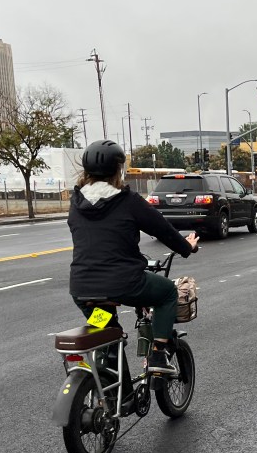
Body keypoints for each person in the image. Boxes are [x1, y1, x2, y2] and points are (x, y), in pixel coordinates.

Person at [67, 139, 198, 377]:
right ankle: (158, 354)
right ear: (119, 170)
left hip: (82, 289)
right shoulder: (127, 200)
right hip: (124, 284)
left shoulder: (76, 202)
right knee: (168, 292)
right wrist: (186, 247)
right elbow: (163, 230)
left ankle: (112, 383)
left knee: (106, 328)